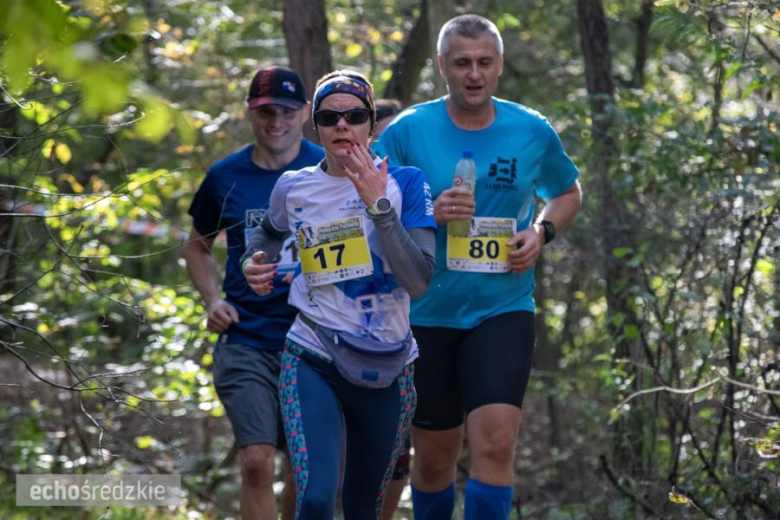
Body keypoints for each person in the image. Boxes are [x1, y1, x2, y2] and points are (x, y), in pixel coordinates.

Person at [375, 14, 583, 520]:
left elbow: (567, 193)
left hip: (502, 306)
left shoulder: (530, 130)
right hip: (426, 311)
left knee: (495, 444)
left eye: (485, 63)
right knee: (434, 457)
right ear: (443, 66)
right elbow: (368, 203)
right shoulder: (407, 131)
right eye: (463, 63)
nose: (474, 74)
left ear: (500, 66)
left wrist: (540, 231)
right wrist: (425, 210)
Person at [241, 70, 436, 520]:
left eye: (354, 116)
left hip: (388, 365)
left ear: (371, 123)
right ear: (317, 128)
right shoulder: (295, 186)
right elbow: (266, 236)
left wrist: (377, 205)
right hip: (313, 354)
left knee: (364, 507)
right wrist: (254, 263)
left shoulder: (404, 184)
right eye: (330, 117)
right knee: (314, 498)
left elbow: (420, 281)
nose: (342, 126)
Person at [184, 65, 324, 520]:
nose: (276, 121)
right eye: (266, 111)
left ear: (305, 113)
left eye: (286, 110)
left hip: (315, 339)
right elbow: (197, 246)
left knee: (306, 470)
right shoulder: (226, 177)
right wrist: (212, 299)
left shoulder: (328, 170)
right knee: (257, 462)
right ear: (250, 113)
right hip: (247, 338)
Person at [370, 98, 412, 520]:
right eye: (380, 140)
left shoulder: (412, 187)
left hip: (409, 339)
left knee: (398, 455)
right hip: (345, 341)